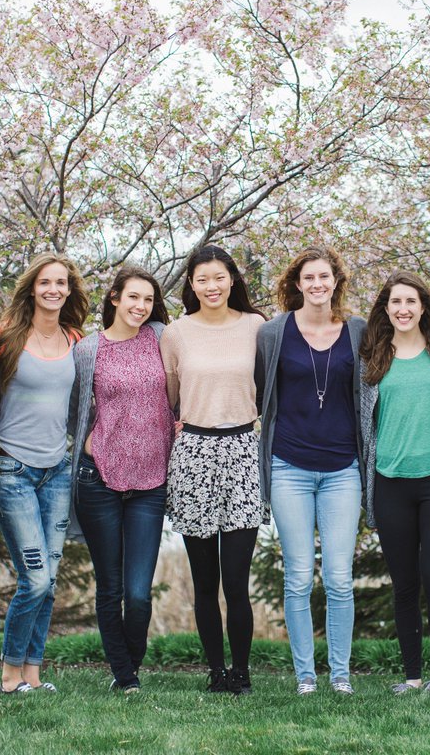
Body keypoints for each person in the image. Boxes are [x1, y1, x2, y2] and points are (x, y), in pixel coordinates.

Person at [256, 246, 366, 696]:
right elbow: (260, 391)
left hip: (344, 467)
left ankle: (339, 674)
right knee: (298, 575)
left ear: (336, 281)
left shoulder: (358, 331)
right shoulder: (273, 333)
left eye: (325, 277)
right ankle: (305, 676)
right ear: (296, 284)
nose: (318, 285)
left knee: (339, 577)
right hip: (289, 466)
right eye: (309, 278)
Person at [161, 245, 267, 695]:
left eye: (218, 277)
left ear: (232, 280)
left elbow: (271, 388)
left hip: (244, 451)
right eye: (202, 279)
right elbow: (170, 397)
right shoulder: (176, 333)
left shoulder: (257, 327)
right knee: (205, 582)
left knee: (236, 581)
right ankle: (215, 670)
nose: (211, 286)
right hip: (195, 455)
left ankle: (241, 672)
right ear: (191, 285)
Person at [359, 270, 430, 694]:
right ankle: (411, 676)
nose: (403, 310)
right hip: (390, 482)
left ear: (423, 307)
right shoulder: (372, 358)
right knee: (404, 585)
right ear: (386, 309)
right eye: (395, 303)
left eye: (410, 302)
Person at [0, 253, 88, 695]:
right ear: (32, 288)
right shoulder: (2, 338)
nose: (53, 289)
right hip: (14, 471)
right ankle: (10, 675)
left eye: (61, 283)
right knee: (36, 579)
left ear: (69, 290)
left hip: (58, 471)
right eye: (45, 282)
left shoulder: (74, 339)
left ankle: (32, 673)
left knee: (48, 582)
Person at [71, 265, 172, 694]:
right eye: (133, 297)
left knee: (138, 593)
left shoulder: (163, 338)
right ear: (114, 298)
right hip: (100, 479)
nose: (140, 306)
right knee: (110, 586)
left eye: (147, 299)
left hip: (151, 481)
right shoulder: (88, 350)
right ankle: (125, 676)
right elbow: (72, 410)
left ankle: (128, 663)